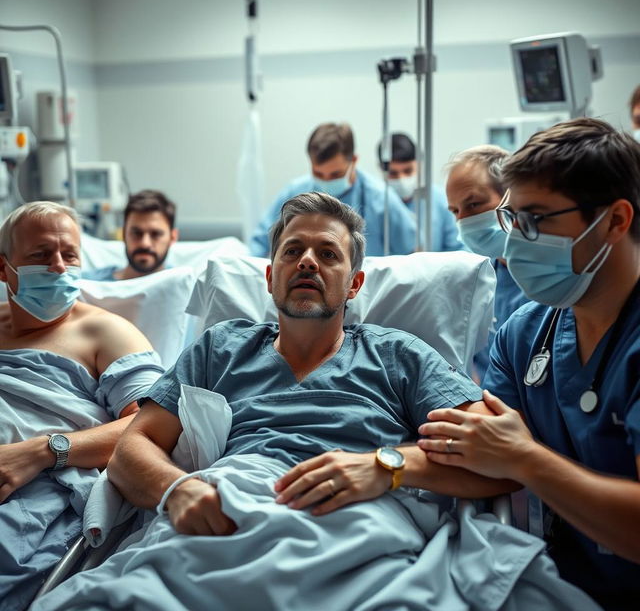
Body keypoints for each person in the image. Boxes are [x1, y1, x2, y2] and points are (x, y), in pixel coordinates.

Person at [31, 192, 601, 610]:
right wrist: (176, 489)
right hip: (226, 510)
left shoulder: (399, 356)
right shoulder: (220, 348)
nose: (307, 261)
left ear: (353, 284)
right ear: (270, 275)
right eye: (293, 251)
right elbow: (133, 450)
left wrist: (387, 467)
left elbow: (500, 463)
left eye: (328, 254)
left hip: (357, 522)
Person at [419, 118, 640, 610]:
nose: (517, 242)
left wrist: (525, 458)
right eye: (512, 220)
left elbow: (511, 457)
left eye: (536, 221)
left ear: (615, 220)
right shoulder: (525, 331)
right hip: (556, 582)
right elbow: (487, 459)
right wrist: (386, 467)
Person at [0, 201, 164, 609]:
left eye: (69, 254)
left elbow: (153, 426)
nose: (58, 266)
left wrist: (41, 451)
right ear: (4, 268)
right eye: (40, 255)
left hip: (32, 492)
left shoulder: (104, 332)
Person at [249, 123, 416, 257]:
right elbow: (260, 243)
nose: (326, 181)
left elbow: (412, 252)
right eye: (318, 173)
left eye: (335, 174)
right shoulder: (295, 191)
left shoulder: (381, 198)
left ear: (354, 161)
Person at [445, 144, 529, 381]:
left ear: (511, 198)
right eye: (455, 211)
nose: (463, 220)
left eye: (473, 205)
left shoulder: (544, 281)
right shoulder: (481, 280)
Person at [377, 132, 464, 251]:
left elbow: (457, 250)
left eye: (408, 171)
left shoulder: (441, 201)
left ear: (419, 165)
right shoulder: (374, 204)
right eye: (393, 173)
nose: (401, 179)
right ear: (381, 169)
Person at [83, 189, 178, 281]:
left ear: (172, 237)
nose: (145, 243)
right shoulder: (86, 286)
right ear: (124, 234)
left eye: (155, 234)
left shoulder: (184, 288)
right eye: (136, 233)